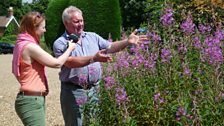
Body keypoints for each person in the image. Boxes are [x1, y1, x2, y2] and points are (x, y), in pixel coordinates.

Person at [53, 6, 147, 126]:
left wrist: (127, 42)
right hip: (74, 92)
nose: (80, 24)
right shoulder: (60, 43)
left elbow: (110, 47)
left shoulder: (92, 37)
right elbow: (69, 62)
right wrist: (94, 58)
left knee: (95, 123)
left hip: (94, 90)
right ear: (66, 23)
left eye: (81, 20)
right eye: (76, 21)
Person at [12, 11, 76, 126]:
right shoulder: (30, 46)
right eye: (43, 27)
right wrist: (70, 48)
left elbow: (16, 73)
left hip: (29, 99)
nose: (45, 30)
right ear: (33, 27)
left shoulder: (20, 43)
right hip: (31, 101)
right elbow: (56, 63)